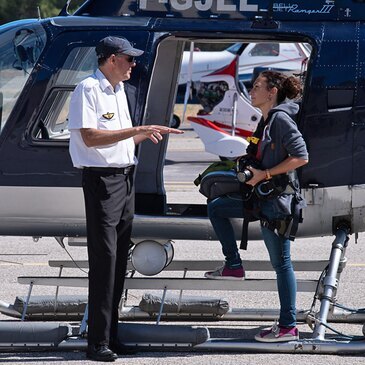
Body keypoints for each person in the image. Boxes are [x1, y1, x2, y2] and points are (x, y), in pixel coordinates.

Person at [68, 36, 183, 362]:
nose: (134, 65)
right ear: (110, 59)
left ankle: (110, 336)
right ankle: (96, 343)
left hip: (124, 179)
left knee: (119, 261)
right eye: (128, 59)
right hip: (102, 181)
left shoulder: (120, 91)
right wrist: (135, 131)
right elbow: (89, 137)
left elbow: (115, 137)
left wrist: (139, 134)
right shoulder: (88, 89)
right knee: (104, 262)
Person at [204, 70, 308, 342]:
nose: (251, 90)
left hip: (276, 203)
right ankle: (233, 265)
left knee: (282, 263)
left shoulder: (281, 119)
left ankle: (288, 326)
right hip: (262, 199)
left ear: (272, 92)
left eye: (257, 86)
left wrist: (266, 174)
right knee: (216, 207)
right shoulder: (266, 121)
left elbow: (301, 157)